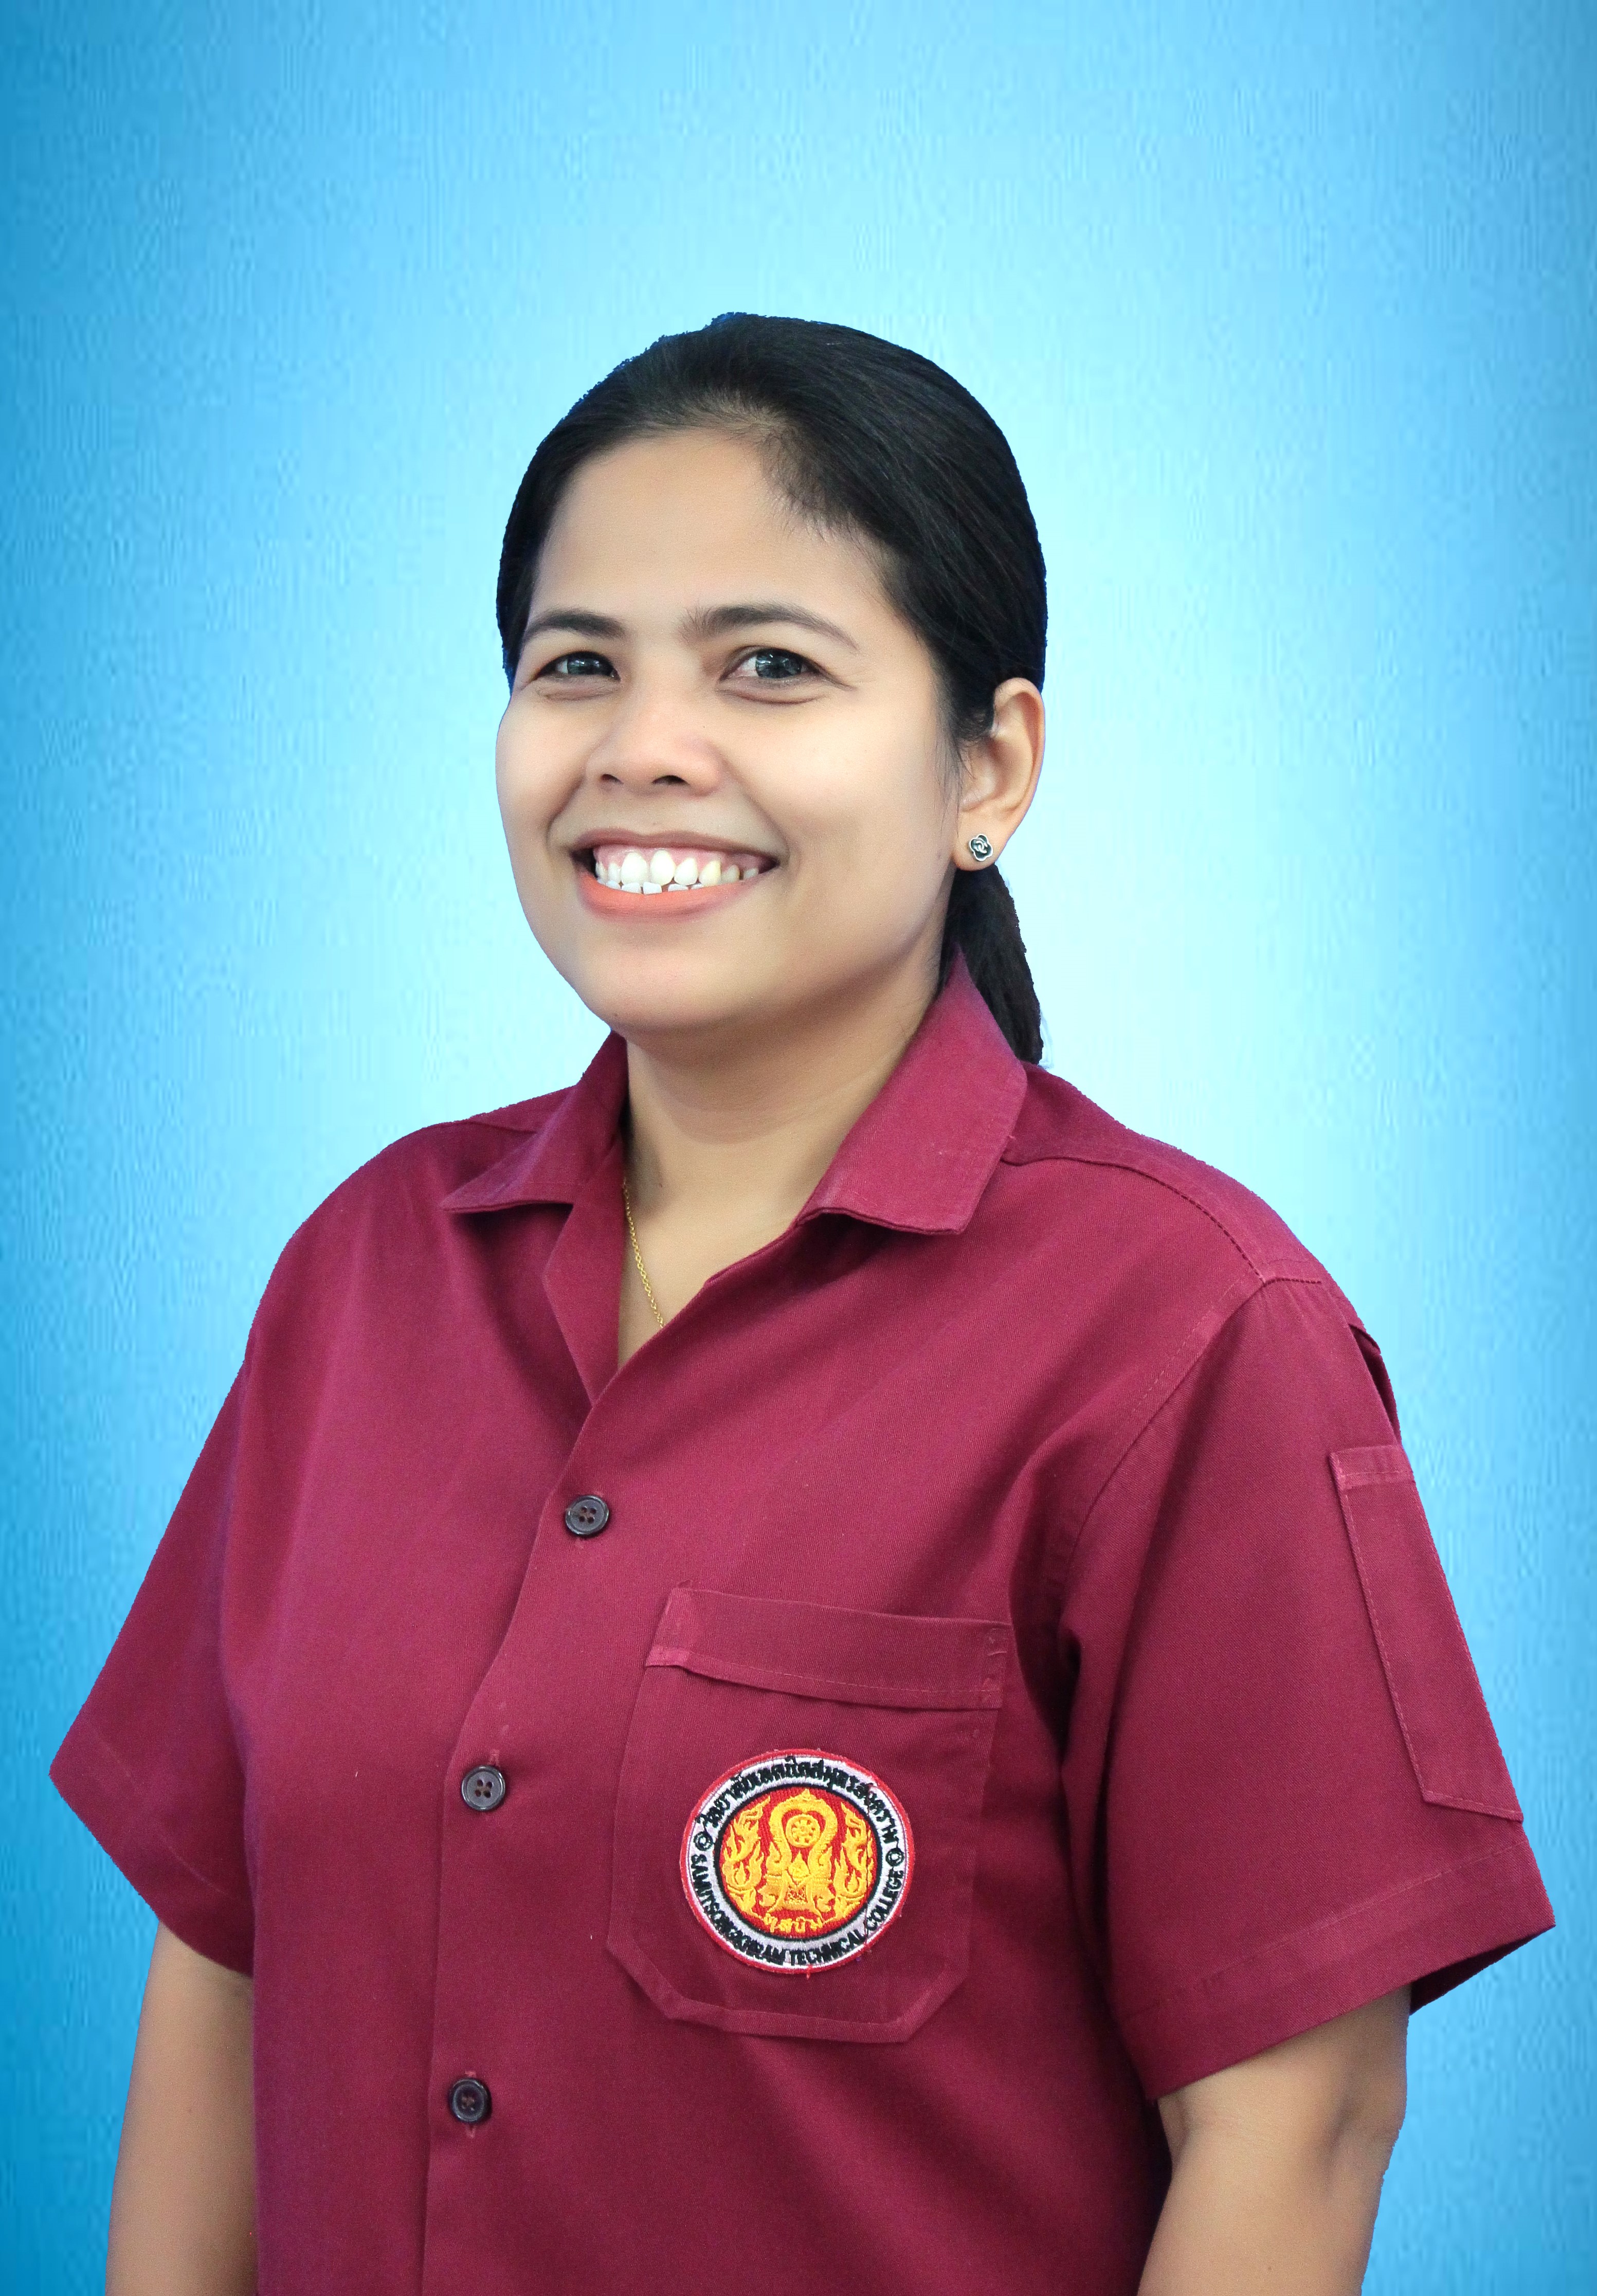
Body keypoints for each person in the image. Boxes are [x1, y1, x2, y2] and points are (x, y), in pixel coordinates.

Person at [55, 315, 1552, 2296]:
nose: (642, 745)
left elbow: (1297, 2120)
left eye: (766, 664)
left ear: (987, 767)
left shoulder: (1188, 1332)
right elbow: (223, 1965)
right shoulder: (364, 1272)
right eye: (576, 664)